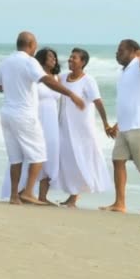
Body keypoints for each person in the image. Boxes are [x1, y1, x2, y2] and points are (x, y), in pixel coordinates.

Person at [0, 32, 85, 205]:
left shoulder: (6, 61)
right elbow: (46, 80)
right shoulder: (29, 61)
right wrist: (71, 94)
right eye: (35, 44)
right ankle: (28, 192)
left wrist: (14, 89)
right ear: (31, 44)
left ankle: (14, 196)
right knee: (40, 155)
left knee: (16, 158)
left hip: (6, 114)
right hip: (24, 114)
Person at [100, 39, 140, 214]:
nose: (117, 53)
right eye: (117, 50)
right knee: (117, 160)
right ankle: (119, 203)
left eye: (121, 50)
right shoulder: (124, 72)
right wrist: (117, 124)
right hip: (126, 126)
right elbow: (129, 101)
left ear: (133, 52)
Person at [0, 47, 61, 205]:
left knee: (50, 155)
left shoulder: (57, 77)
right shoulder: (33, 74)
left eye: (55, 57)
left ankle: (42, 196)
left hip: (52, 120)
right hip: (34, 117)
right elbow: (6, 86)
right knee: (33, 155)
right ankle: (24, 192)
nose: (53, 60)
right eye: (50, 57)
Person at [55, 47, 113, 208]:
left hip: (82, 128)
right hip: (65, 126)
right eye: (70, 57)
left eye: (74, 58)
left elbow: (98, 102)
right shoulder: (63, 78)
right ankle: (73, 194)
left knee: (83, 157)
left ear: (83, 62)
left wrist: (105, 123)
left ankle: (75, 196)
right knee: (69, 159)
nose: (70, 60)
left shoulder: (88, 80)